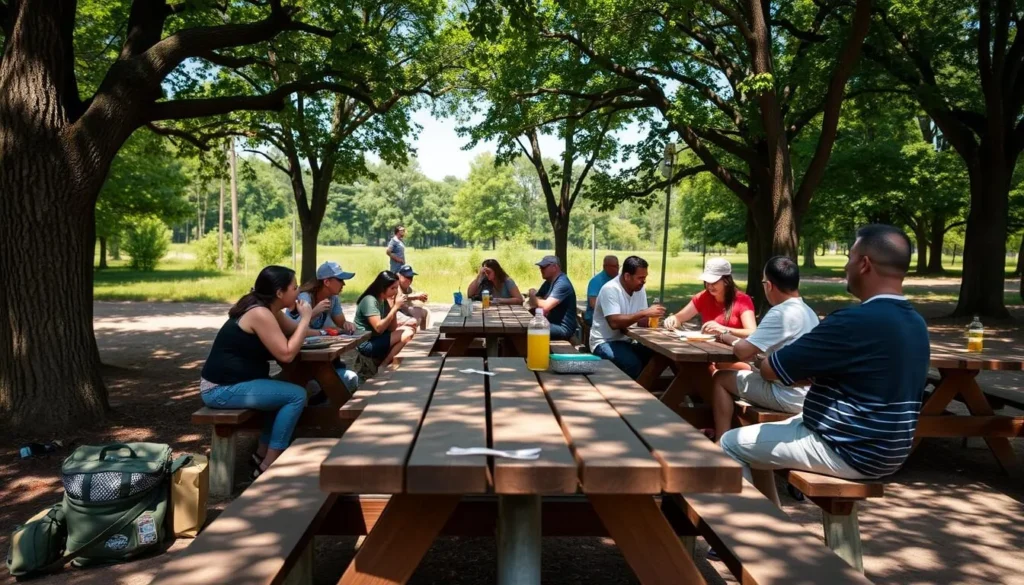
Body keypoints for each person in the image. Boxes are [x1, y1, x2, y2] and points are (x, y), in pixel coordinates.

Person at [718, 225, 929, 506]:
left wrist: (792, 370)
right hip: (891, 450)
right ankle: (773, 521)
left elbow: (771, 370)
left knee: (729, 444)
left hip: (845, 447)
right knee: (767, 434)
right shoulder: (916, 323)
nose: (846, 266)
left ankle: (735, 545)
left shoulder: (852, 322)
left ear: (864, 264)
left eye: (850, 257)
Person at [199, 266, 312, 478]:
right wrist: (306, 318)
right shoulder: (260, 313)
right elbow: (287, 355)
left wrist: (331, 333)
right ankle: (270, 464)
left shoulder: (270, 310)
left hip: (238, 383)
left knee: (287, 387)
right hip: (220, 389)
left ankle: (261, 454)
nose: (298, 292)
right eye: (295, 287)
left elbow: (294, 330)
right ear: (279, 293)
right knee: (296, 395)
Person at [708, 256, 820, 442]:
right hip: (807, 392)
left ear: (769, 285)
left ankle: (721, 442)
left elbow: (743, 351)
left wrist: (724, 335)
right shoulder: (808, 311)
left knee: (720, 378)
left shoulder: (781, 312)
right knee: (741, 371)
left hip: (787, 395)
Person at [287, 260, 360, 393]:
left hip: (320, 352)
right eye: (340, 280)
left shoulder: (333, 298)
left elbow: (341, 322)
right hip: (301, 358)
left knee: (337, 368)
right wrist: (313, 312)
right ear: (326, 282)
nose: (344, 284)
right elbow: (292, 329)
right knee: (335, 375)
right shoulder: (305, 298)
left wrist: (346, 324)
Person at [589, 256, 666, 379]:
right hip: (604, 342)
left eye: (645, 277)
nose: (644, 281)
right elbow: (614, 323)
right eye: (640, 278)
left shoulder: (639, 288)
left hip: (627, 340)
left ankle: (645, 388)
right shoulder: (610, 289)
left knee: (658, 356)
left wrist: (657, 319)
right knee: (632, 364)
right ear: (627, 276)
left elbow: (640, 319)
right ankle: (629, 393)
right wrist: (645, 313)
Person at [663, 257, 756, 338]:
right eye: (707, 282)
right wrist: (672, 319)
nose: (710, 286)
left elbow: (752, 332)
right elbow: (679, 317)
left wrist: (724, 329)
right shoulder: (703, 296)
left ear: (726, 281)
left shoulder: (743, 300)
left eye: (714, 282)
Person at [354, 271, 415, 367]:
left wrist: (393, 307)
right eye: (392, 288)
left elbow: (392, 328)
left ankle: (391, 363)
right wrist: (395, 307)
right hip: (367, 344)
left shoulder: (384, 300)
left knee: (409, 329)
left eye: (396, 288)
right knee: (408, 333)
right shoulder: (369, 300)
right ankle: (384, 364)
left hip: (377, 338)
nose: (395, 292)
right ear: (382, 288)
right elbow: (379, 328)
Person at [527, 255, 578, 341]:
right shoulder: (548, 282)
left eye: (543, 267)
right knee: (526, 326)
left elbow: (545, 306)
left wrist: (532, 293)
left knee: (530, 328)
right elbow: (533, 304)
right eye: (540, 267)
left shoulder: (562, 283)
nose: (541, 269)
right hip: (550, 324)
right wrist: (536, 300)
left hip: (562, 329)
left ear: (555, 267)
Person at [584, 255, 620, 325]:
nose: (617, 269)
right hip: (596, 318)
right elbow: (593, 303)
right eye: (614, 266)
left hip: (614, 316)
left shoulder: (619, 280)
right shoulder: (596, 281)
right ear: (605, 267)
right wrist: (610, 313)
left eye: (618, 266)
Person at [396, 264, 429, 329]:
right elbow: (400, 297)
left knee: (424, 312)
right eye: (407, 277)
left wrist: (421, 298)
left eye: (411, 277)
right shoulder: (396, 286)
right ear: (399, 276)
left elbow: (412, 298)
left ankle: (423, 334)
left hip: (404, 310)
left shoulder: (409, 288)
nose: (409, 280)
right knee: (413, 321)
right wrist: (416, 296)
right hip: (396, 312)